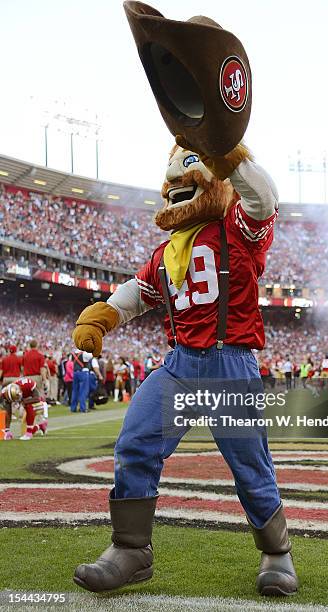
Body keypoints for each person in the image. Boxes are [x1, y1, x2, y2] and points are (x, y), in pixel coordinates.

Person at [72, 137, 298, 595]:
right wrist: (103, 316)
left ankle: (277, 552)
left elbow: (262, 198)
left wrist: (229, 153)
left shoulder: (237, 229)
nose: (176, 183)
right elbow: (139, 293)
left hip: (230, 362)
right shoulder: (167, 252)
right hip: (178, 365)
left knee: (250, 465)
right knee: (135, 442)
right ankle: (131, 548)